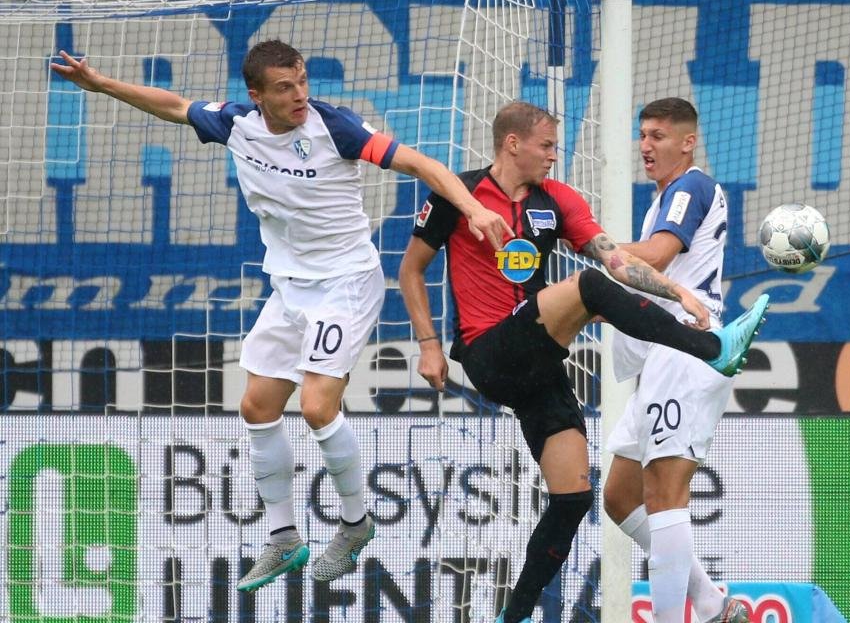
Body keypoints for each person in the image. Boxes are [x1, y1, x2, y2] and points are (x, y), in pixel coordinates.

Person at [50, 40, 513, 593]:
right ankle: (284, 537)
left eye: (302, 82)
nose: (299, 95)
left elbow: (421, 163)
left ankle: (355, 524)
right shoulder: (236, 123)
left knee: (318, 406)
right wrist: (101, 83)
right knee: (257, 406)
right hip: (289, 285)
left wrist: (475, 207)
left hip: (346, 282)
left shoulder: (335, 128)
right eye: (284, 87)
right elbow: (173, 106)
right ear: (257, 95)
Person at [398, 101, 768, 623]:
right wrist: (430, 345)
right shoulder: (459, 196)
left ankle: (516, 614)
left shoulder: (559, 201)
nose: (555, 156)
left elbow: (612, 256)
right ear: (513, 144)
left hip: (537, 364)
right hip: (489, 351)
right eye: (547, 146)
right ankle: (713, 349)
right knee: (588, 287)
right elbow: (411, 271)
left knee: (577, 497)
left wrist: (674, 292)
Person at [603, 97, 752, 623]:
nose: (645, 146)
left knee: (666, 494)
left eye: (658, 136)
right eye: (642, 135)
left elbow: (660, 255)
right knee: (620, 497)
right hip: (660, 356)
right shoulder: (667, 195)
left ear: (687, 142)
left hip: (685, 348)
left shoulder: (692, 185)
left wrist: (592, 246)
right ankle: (711, 603)